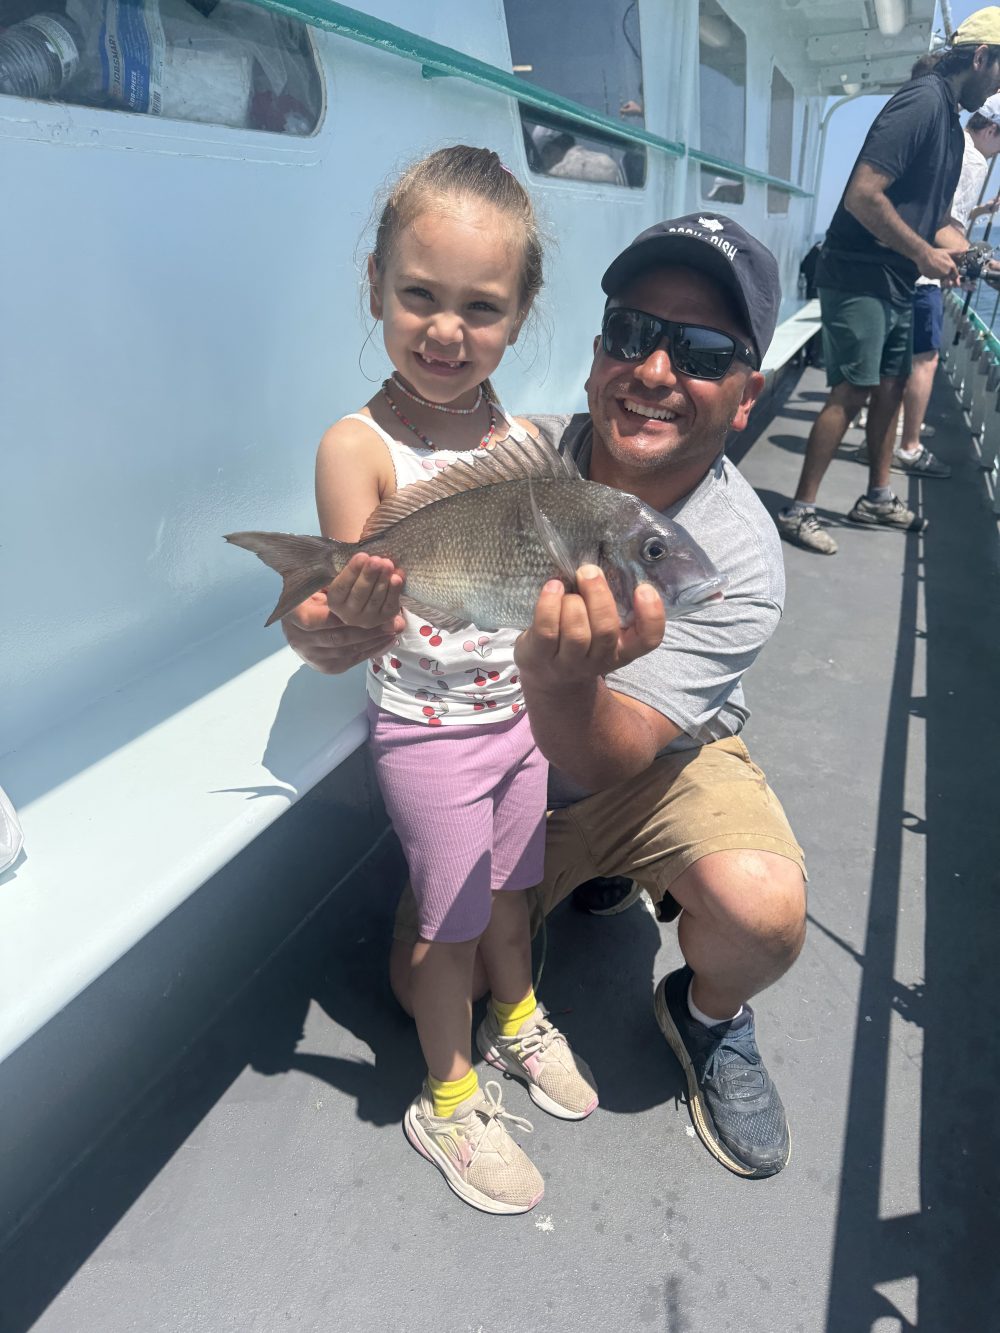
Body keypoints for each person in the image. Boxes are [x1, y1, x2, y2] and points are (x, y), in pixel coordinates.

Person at [285, 212, 809, 1184]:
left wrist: (559, 675)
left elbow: (608, 753)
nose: (653, 369)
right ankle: (539, 964)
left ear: (748, 392)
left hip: (650, 768)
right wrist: (329, 631)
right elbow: (386, 595)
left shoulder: (732, 554)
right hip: (491, 756)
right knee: (419, 986)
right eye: (630, 333)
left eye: (700, 351)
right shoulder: (528, 450)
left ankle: (706, 1016)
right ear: (595, 352)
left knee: (763, 908)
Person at [312, 145, 600, 1218]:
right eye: (419, 296)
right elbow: (360, 593)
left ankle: (517, 1019)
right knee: (446, 928)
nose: (447, 329)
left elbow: (548, 576)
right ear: (376, 289)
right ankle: (446, 1092)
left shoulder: (526, 441)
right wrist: (343, 607)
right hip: (428, 735)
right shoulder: (359, 445)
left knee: (513, 898)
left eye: (480, 307)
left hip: (516, 721)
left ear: (519, 317)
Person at [778, 8, 1000, 556]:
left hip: (896, 278)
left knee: (893, 386)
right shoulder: (922, 101)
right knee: (851, 389)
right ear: (979, 57)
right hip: (858, 272)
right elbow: (863, 194)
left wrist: (982, 260)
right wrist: (924, 252)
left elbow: (941, 222)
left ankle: (877, 497)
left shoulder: (949, 123)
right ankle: (799, 509)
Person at [856, 94, 1000, 481]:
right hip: (925, 276)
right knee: (924, 361)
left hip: (907, 269)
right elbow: (948, 228)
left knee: (902, 362)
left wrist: (983, 212)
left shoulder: (956, 146)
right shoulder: (972, 160)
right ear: (990, 130)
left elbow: (942, 210)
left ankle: (893, 431)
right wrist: (986, 263)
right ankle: (910, 446)